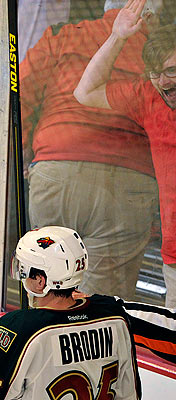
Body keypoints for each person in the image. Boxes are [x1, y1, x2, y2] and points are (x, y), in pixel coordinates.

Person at [20, 0, 173, 300]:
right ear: (150, 16)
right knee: (99, 310)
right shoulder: (159, 56)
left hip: (55, 172)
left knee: (47, 294)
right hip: (127, 187)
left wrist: (25, 151)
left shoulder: (64, 34)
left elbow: (20, 93)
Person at [0, 226, 176, 400]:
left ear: (40, 281)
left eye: (23, 271)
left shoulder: (18, 329)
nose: (22, 278)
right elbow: (129, 394)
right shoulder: (115, 317)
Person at [74, 0, 176, 307]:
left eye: (172, 71)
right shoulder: (149, 97)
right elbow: (85, 92)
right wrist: (117, 36)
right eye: (156, 73)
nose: (164, 82)